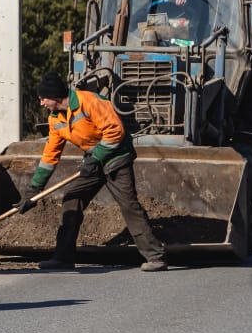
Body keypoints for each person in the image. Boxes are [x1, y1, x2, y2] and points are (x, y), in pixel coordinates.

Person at [19, 72, 167, 272]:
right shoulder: (55, 120)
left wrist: (96, 157)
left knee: (128, 205)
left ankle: (156, 256)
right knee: (72, 199)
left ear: (54, 96)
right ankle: (63, 258)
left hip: (116, 158)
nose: (41, 103)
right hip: (94, 162)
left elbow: (115, 131)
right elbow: (49, 157)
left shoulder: (88, 101)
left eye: (43, 98)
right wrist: (33, 190)